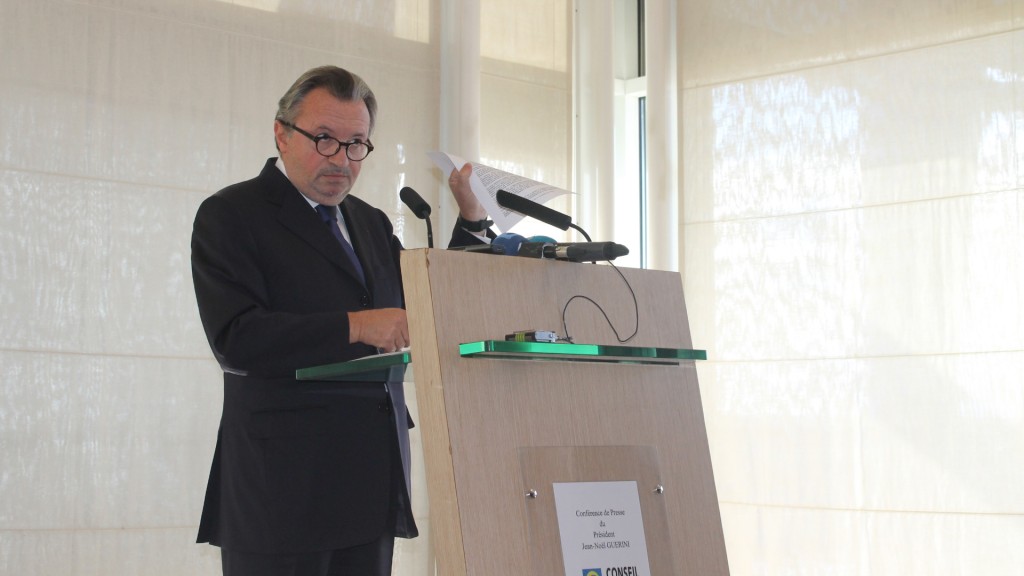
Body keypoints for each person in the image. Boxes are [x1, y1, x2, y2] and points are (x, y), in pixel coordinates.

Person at [190, 65, 492, 576]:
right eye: (324, 139)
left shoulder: (370, 222)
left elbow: (428, 305)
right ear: (282, 134)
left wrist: (472, 220)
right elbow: (236, 339)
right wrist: (356, 325)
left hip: (370, 484)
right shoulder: (232, 214)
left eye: (356, 144)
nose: (341, 159)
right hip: (282, 492)